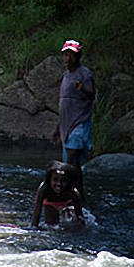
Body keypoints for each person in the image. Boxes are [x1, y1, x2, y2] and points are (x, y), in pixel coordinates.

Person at [56, 39, 95, 175]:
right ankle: (72, 192)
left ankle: (76, 192)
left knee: (72, 163)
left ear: (78, 56)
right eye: (66, 54)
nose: (68, 58)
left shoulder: (84, 73)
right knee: (68, 164)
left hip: (79, 123)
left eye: (71, 54)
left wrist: (82, 88)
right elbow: (64, 104)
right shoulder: (66, 76)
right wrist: (58, 128)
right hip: (66, 126)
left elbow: (92, 95)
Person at [31, 161, 85, 228]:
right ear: (49, 179)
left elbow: (80, 217)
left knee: (70, 226)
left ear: (69, 182)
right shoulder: (44, 189)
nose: (59, 184)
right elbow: (36, 215)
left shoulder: (73, 192)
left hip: (67, 204)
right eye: (55, 179)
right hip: (50, 204)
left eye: (63, 180)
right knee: (51, 226)